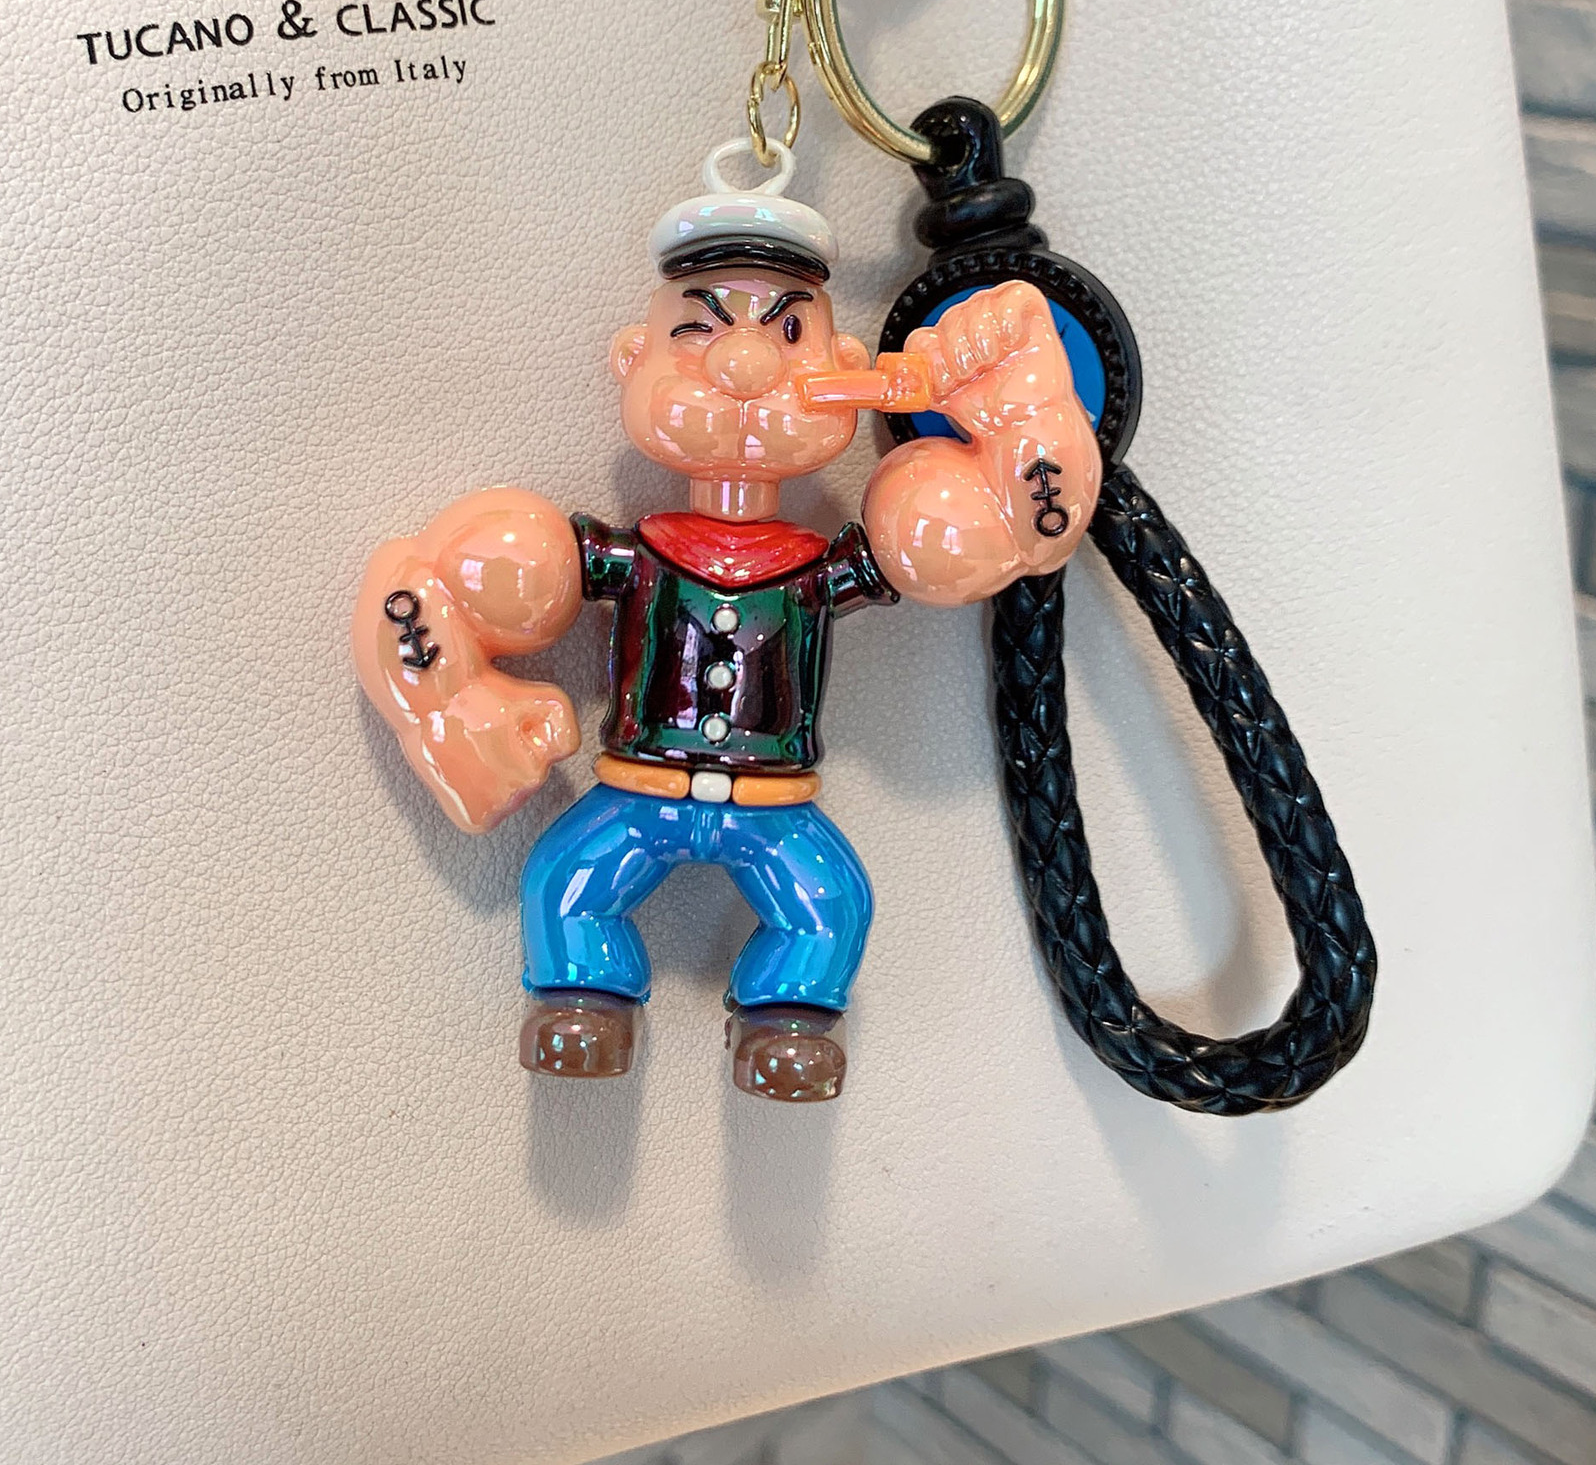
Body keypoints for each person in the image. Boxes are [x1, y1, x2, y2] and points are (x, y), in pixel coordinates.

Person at [353, 164, 1099, 1101]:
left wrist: (1029, 419)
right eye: (698, 329)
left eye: (789, 333)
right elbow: (419, 584)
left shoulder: (838, 565)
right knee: (561, 884)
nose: (745, 367)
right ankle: (584, 1000)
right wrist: (453, 707)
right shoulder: (615, 557)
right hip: (638, 794)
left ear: (850, 367)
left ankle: (787, 1020)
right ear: (633, 359)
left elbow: (1016, 532)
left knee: (830, 907)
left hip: (775, 808)